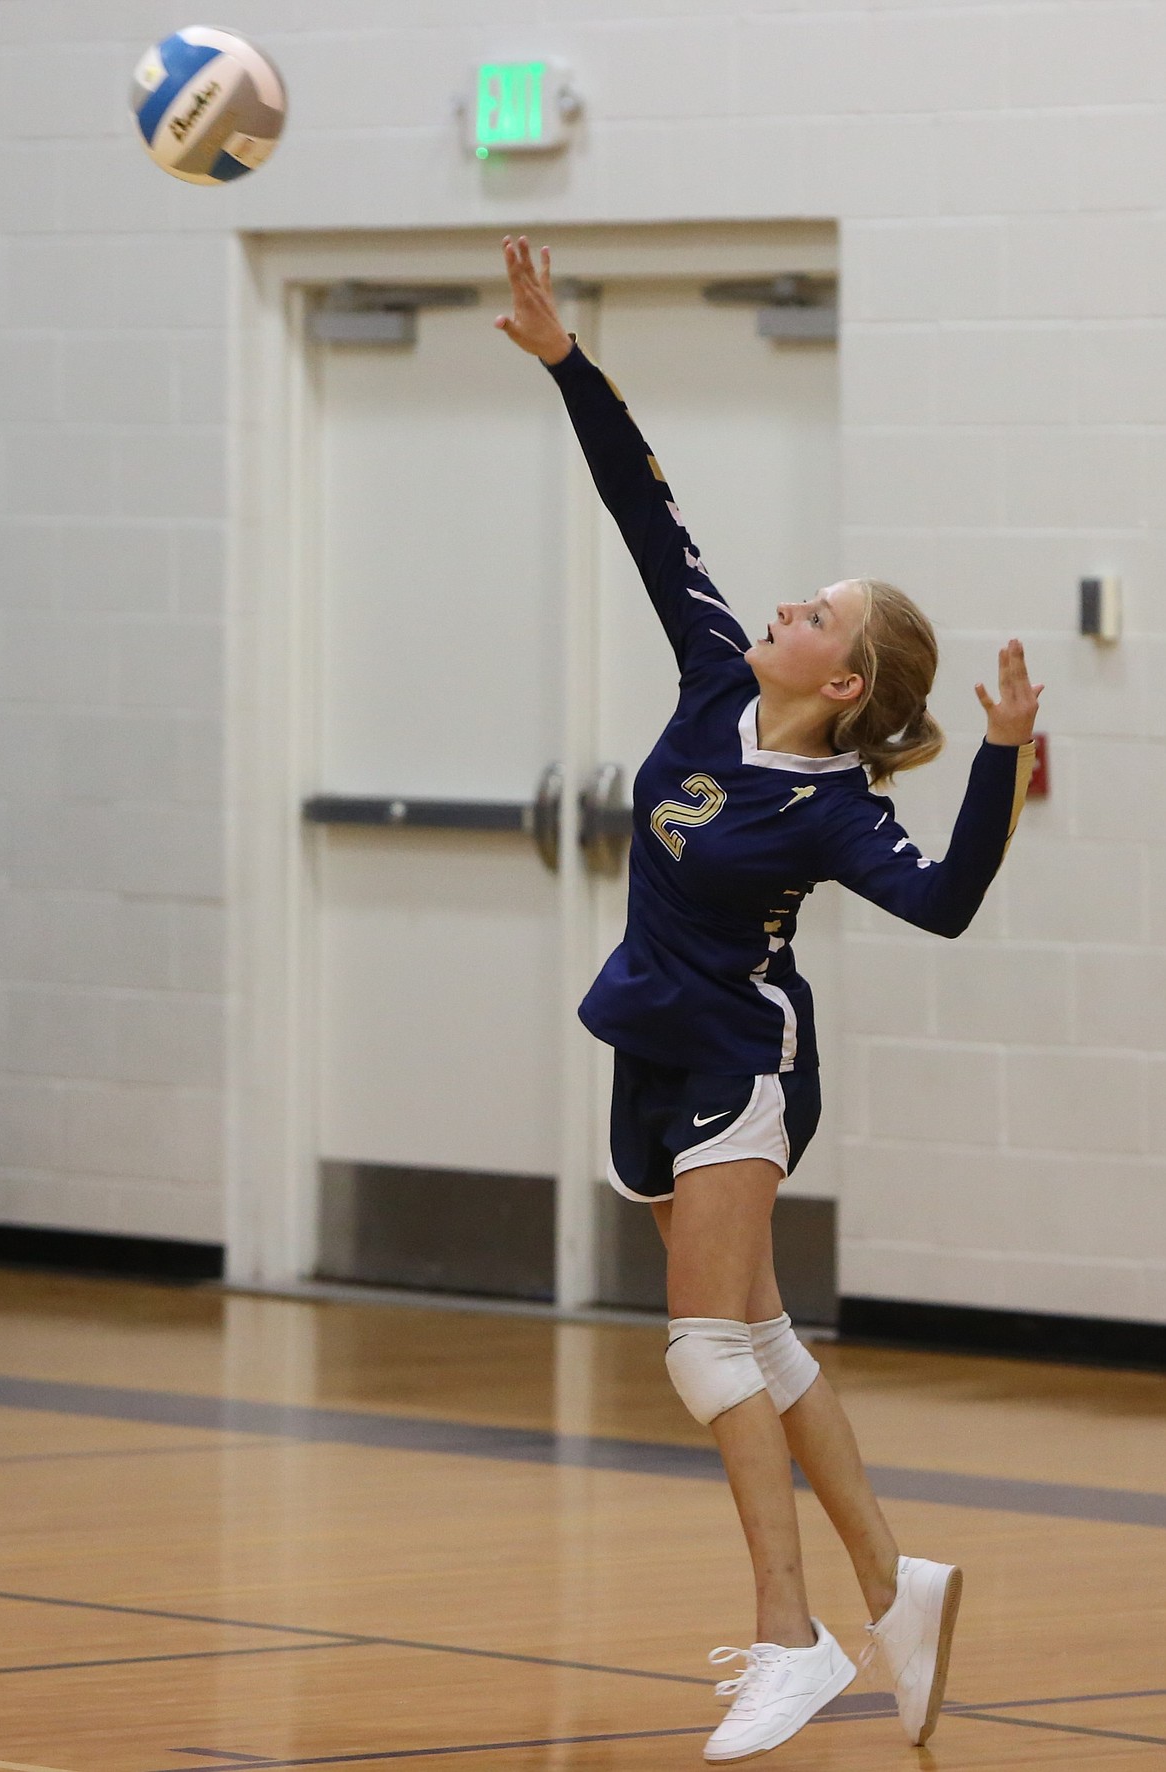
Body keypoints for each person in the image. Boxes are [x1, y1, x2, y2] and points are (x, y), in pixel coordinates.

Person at [497, 235, 1041, 1763]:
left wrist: (998, 755)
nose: (784, 608)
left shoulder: (829, 807)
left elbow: (940, 902)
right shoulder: (713, 676)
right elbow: (641, 506)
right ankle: (894, 1578)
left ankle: (796, 1635)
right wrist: (564, 359)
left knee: (699, 1348)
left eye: (814, 610)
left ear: (845, 680)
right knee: (762, 1339)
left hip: (745, 1057)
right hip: (647, 1039)